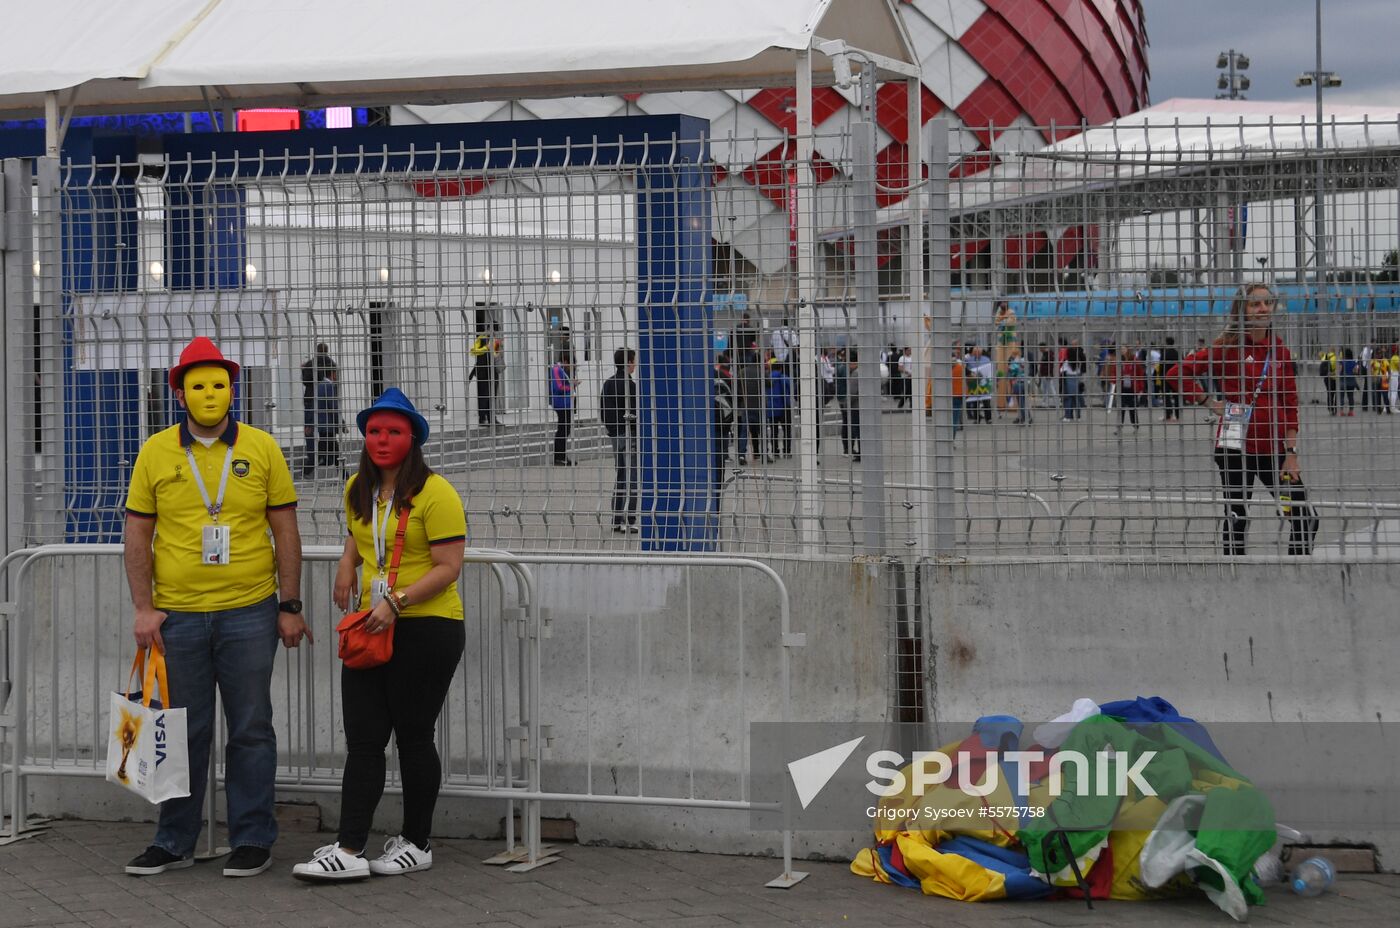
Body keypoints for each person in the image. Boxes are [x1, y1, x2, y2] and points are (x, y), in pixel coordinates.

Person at [122, 337, 308, 879]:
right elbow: (137, 535)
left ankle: (252, 838)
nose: (210, 394)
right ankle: (173, 839)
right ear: (179, 393)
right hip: (175, 618)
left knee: (252, 726)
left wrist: (289, 604)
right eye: (197, 384)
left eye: (219, 383)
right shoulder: (155, 452)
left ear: (234, 389)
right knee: (178, 729)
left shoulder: (262, 448)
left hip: (249, 612)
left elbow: (285, 531)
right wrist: (143, 608)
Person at [293, 389, 467, 881]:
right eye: (374, 431)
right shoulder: (358, 488)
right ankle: (349, 850)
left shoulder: (437, 493)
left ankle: (417, 842)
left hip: (428, 626)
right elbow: (360, 531)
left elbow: (449, 566)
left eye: (393, 431)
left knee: (413, 735)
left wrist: (398, 601)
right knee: (365, 739)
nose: (382, 440)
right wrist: (347, 564)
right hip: (373, 626)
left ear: (413, 437)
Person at [1167, 282, 1311, 556]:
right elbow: (1176, 373)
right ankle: (1234, 577)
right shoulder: (1228, 348)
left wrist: (1291, 452)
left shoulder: (1279, 351)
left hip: (1274, 453)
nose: (1263, 309)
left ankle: (1295, 578)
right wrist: (1208, 402)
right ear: (1243, 310)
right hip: (1235, 450)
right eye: (1255, 304)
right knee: (1237, 518)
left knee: (1303, 517)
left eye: (1267, 303)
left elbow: (1291, 403)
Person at [600, 348, 639, 533]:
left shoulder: (608, 383)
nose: (635, 365)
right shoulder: (629, 385)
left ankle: (617, 518)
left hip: (615, 435)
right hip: (629, 433)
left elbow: (603, 409)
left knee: (621, 474)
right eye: (633, 361)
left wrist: (611, 429)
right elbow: (635, 410)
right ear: (628, 362)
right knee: (632, 476)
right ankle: (629, 518)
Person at [308, 367, 345, 477]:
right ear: (332, 374)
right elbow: (332, 406)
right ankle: (307, 470)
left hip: (322, 422)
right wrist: (340, 422)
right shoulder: (328, 386)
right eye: (335, 373)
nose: (336, 376)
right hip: (328, 423)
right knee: (330, 448)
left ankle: (343, 473)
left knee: (329, 448)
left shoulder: (320, 385)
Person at [468, 333, 503, 426]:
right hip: (483, 372)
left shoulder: (496, 340)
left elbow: (496, 354)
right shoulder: (481, 338)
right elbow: (473, 352)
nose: (495, 332)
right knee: (484, 396)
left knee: (493, 396)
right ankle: (482, 419)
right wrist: (486, 348)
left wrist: (497, 350)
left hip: (493, 372)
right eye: (495, 329)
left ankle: (492, 419)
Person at [548, 352, 576, 466]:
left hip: (565, 403)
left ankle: (562, 456)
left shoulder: (560, 370)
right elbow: (559, 387)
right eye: (571, 363)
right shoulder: (556, 369)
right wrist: (572, 385)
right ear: (565, 361)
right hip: (561, 403)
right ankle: (559, 457)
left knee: (565, 430)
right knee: (563, 430)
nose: (572, 366)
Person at [765, 355, 793, 458]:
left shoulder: (767, 379)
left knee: (773, 431)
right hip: (784, 407)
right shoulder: (785, 378)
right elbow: (791, 391)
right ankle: (786, 451)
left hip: (771, 407)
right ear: (781, 368)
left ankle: (775, 451)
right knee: (787, 430)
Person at [1160, 337, 1182, 422]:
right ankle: (1178, 415)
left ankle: (1168, 414)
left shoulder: (1164, 353)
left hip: (1165, 377)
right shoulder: (1177, 353)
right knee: (1176, 396)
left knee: (1166, 396)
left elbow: (1161, 366)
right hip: (1176, 377)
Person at [1319, 348, 1338, 416]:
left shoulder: (1325, 357)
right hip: (1336, 378)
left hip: (1327, 378)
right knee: (1337, 394)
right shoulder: (1337, 357)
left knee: (1330, 394)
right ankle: (1336, 408)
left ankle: (1330, 409)